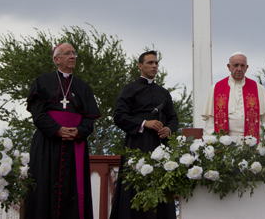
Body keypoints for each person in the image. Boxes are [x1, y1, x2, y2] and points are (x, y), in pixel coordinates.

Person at [25, 43, 101, 219]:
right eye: (67, 53)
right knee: (44, 186)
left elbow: (89, 118)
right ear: (56, 59)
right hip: (47, 143)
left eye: (74, 53)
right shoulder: (41, 82)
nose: (72, 56)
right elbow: (38, 114)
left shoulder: (83, 87)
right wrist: (56, 129)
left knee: (74, 189)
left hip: (75, 144)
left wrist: (79, 131)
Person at [110, 50, 179, 219]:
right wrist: (144, 123)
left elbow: (174, 118)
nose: (154, 66)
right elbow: (118, 116)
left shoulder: (163, 92)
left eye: (156, 63)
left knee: (161, 190)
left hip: (160, 147)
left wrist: (168, 130)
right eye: (150, 63)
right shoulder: (130, 89)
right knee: (136, 190)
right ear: (140, 66)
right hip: (137, 145)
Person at [202, 52, 265, 141]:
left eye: (242, 66)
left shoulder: (259, 89)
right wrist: (210, 142)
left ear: (246, 68)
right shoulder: (216, 88)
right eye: (235, 65)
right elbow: (210, 122)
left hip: (252, 143)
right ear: (229, 67)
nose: (239, 69)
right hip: (224, 143)